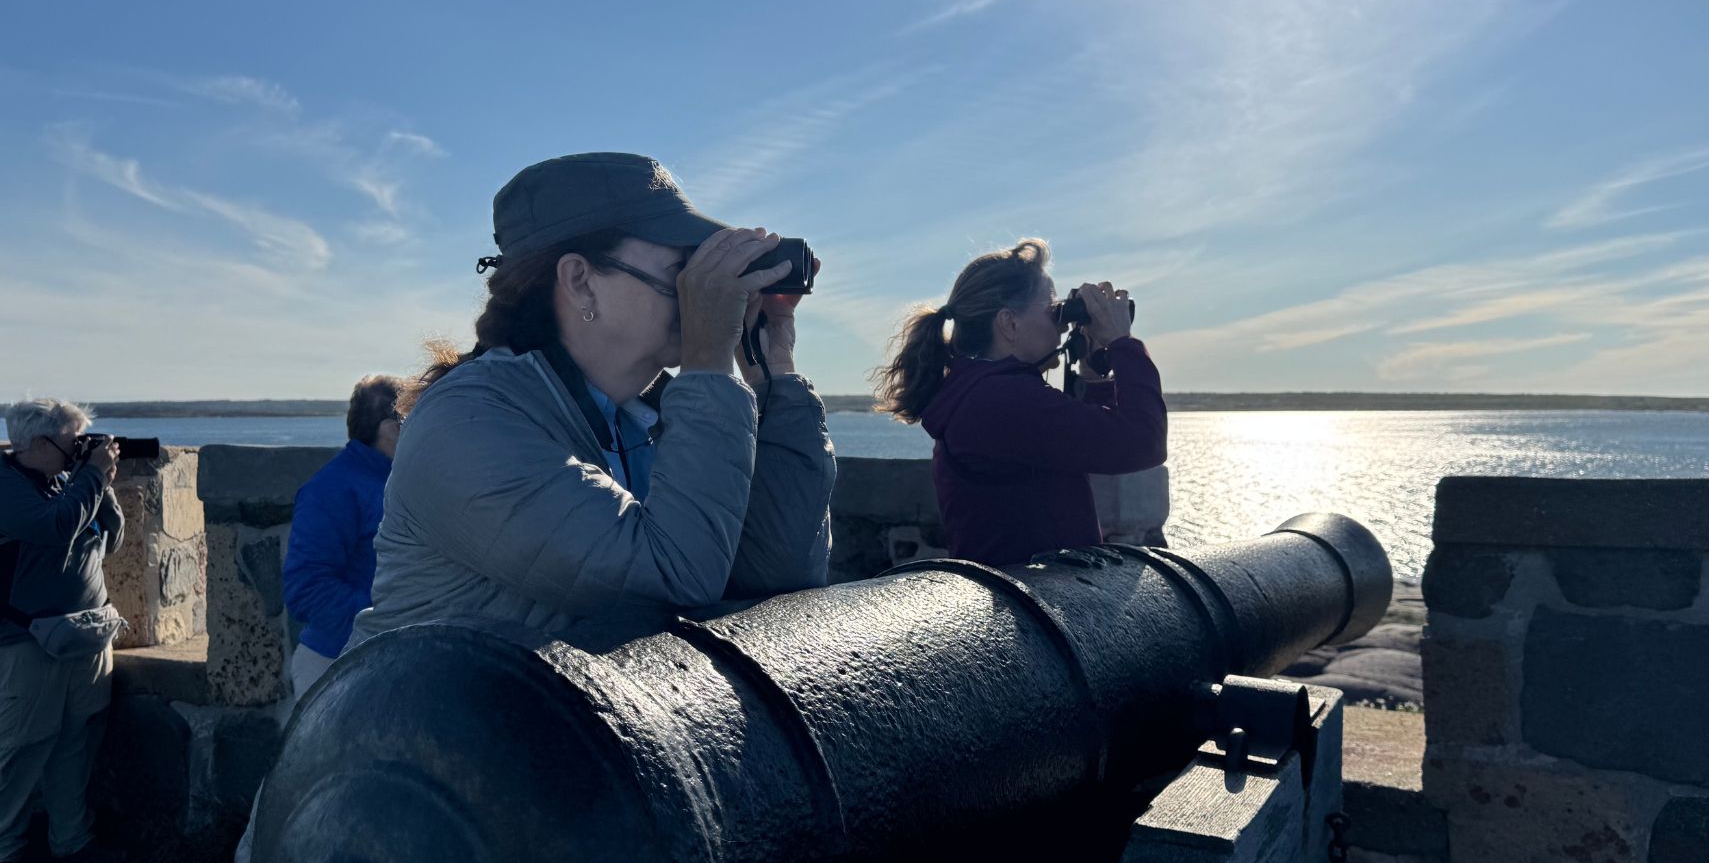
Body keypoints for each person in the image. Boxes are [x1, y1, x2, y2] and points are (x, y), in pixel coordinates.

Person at [347, 152, 835, 647]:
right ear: (580, 281)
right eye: (682, 270)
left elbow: (781, 578)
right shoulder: (466, 425)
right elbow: (671, 583)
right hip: (427, 718)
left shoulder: (655, 417)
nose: (701, 292)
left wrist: (773, 376)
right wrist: (708, 362)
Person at [874, 238, 1167, 566]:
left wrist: (1093, 375)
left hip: (1018, 595)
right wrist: (1121, 343)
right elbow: (1144, 441)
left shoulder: (980, 392)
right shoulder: (1001, 400)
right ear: (1009, 323)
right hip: (1030, 601)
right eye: (1053, 312)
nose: (1062, 327)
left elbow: (1079, 439)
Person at [0, 399, 124, 863]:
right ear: (35, 445)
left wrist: (103, 486)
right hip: (26, 641)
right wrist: (92, 477)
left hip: (84, 633)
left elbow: (109, 539)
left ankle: (71, 839)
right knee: (22, 746)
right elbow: (53, 530)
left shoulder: (64, 483)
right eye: (73, 443)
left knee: (78, 737)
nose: (80, 451)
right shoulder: (8, 486)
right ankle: (4, 853)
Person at [279, 375, 403, 702]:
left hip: (387, 659)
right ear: (391, 429)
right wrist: (394, 621)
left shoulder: (400, 484)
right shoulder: (331, 489)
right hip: (335, 666)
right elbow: (307, 590)